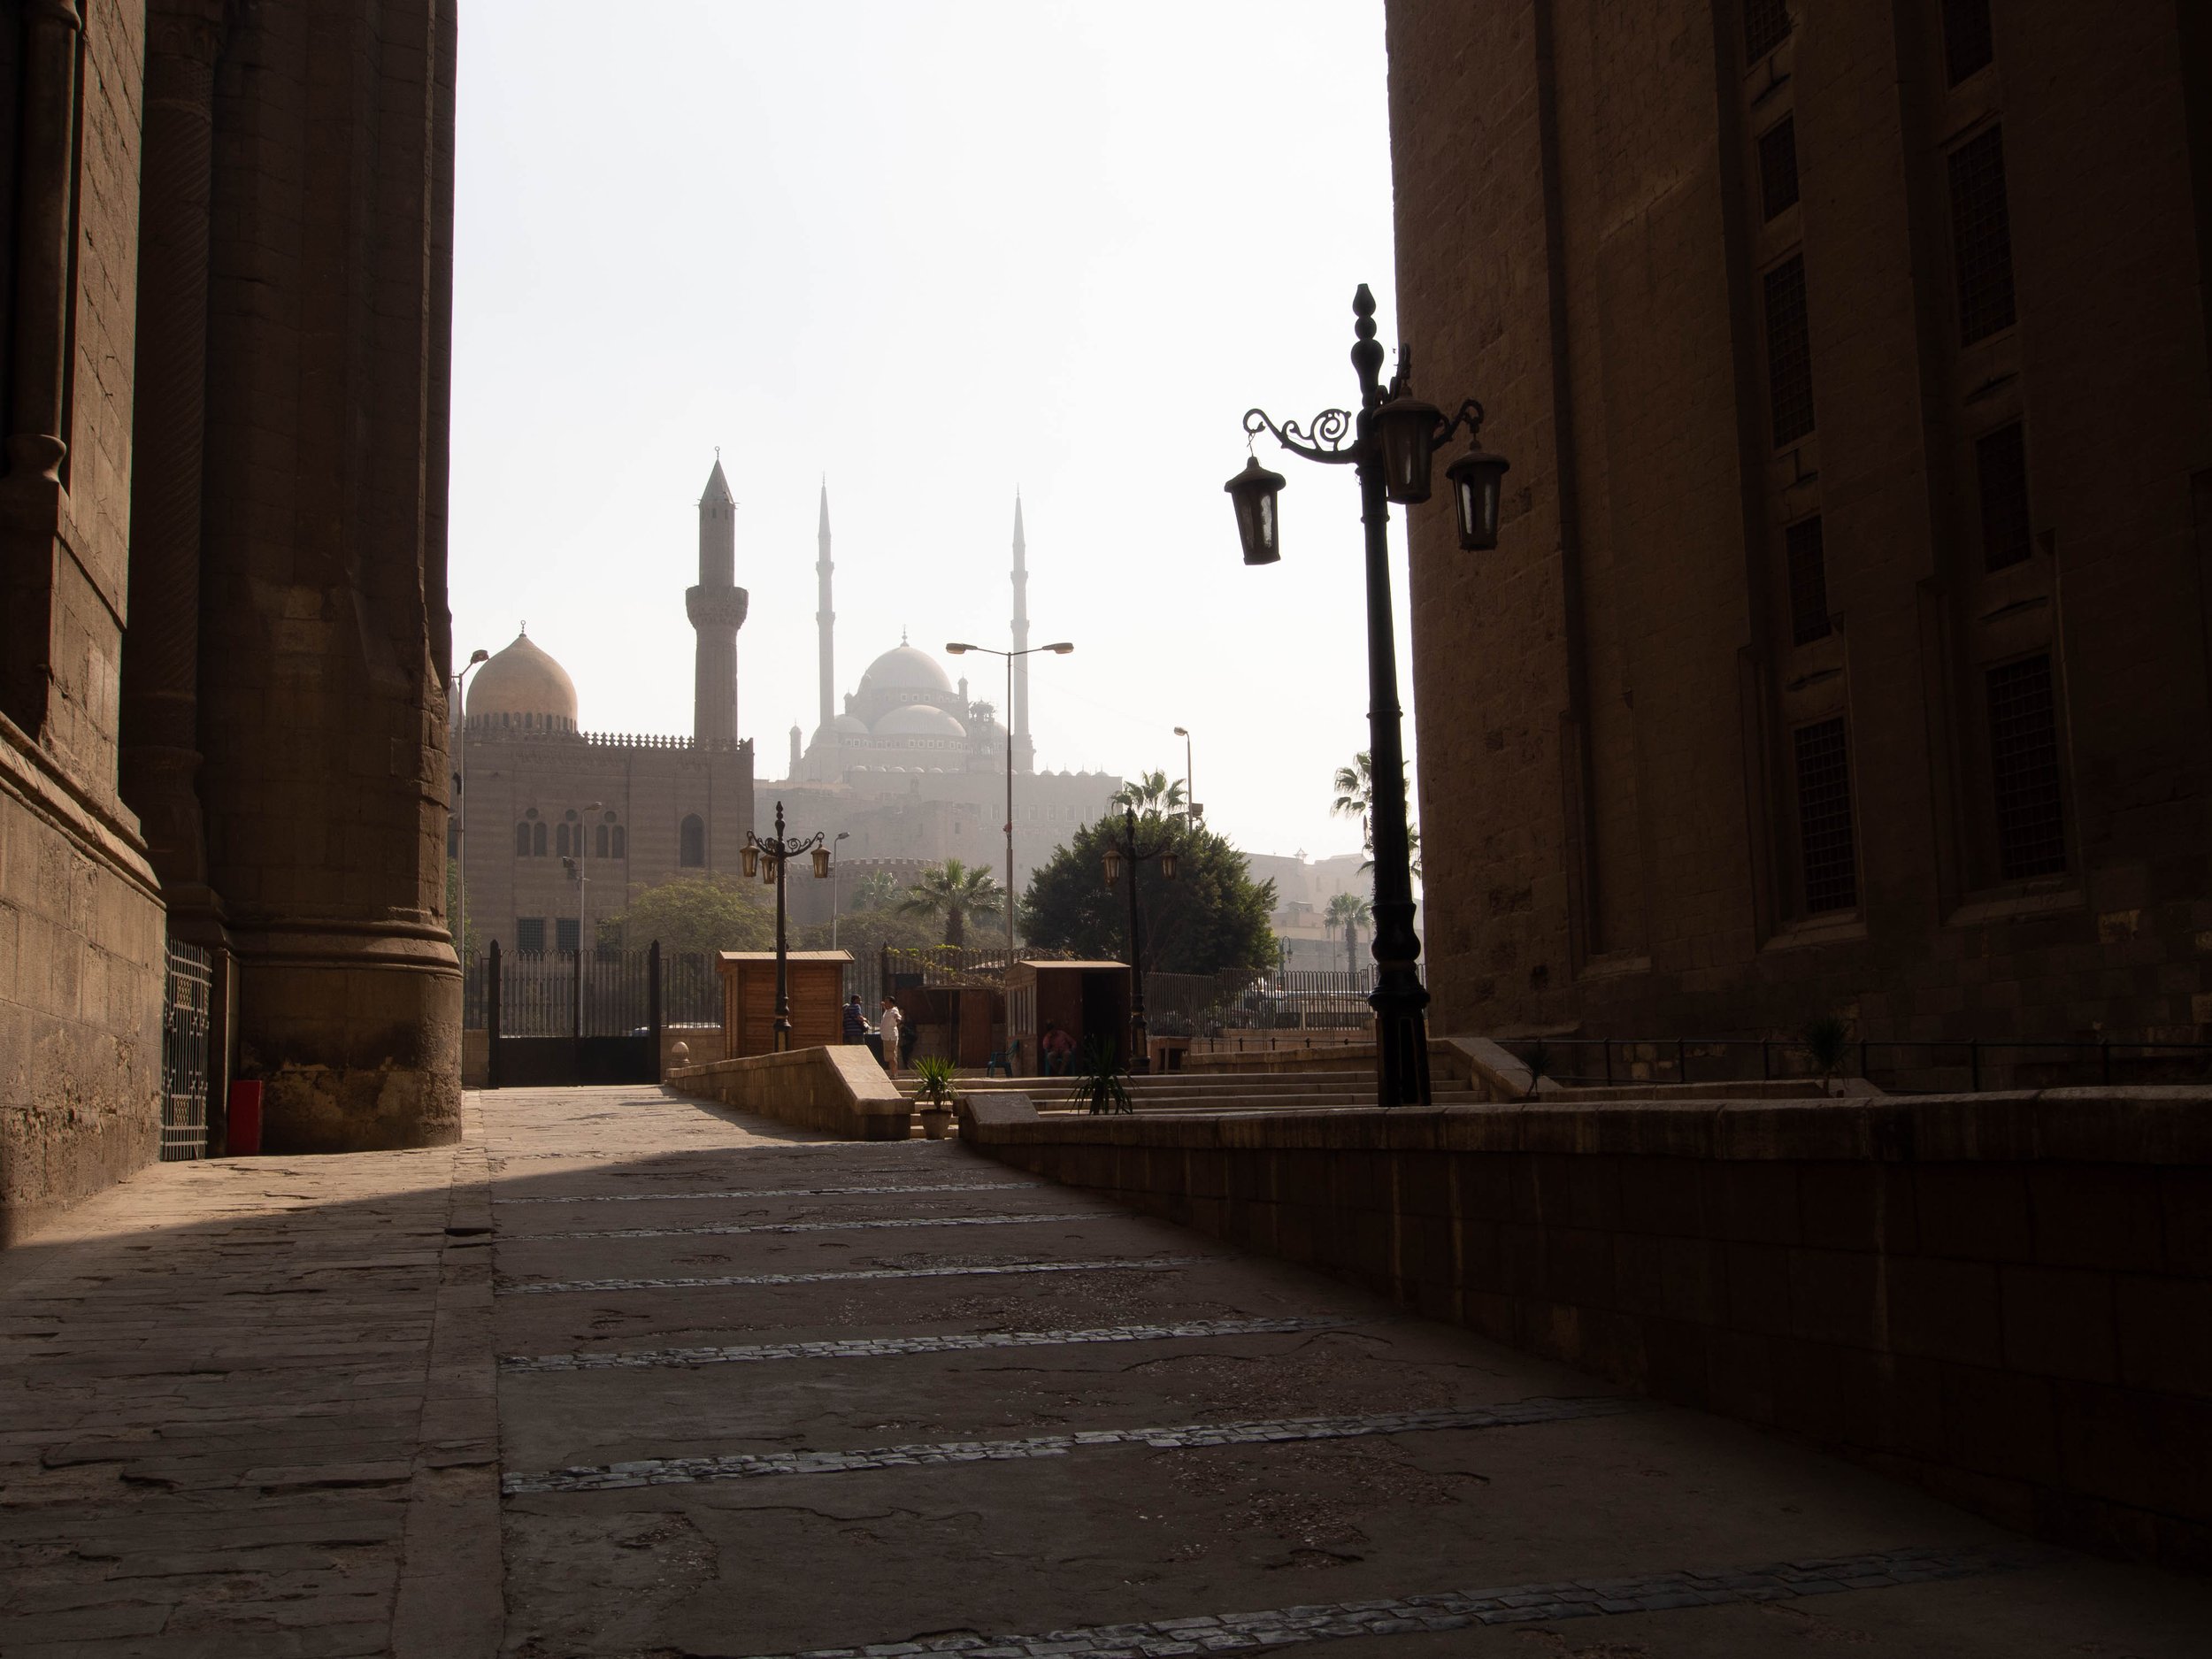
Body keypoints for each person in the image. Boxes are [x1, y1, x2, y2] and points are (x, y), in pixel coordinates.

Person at [878, 996, 904, 1077]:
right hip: (886, 1037)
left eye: (887, 1002)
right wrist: (883, 1005)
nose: (885, 1003)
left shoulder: (894, 1011)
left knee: (891, 1056)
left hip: (890, 1037)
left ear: (891, 1003)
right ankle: (893, 1073)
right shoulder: (888, 1011)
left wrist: (898, 1019)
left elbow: (897, 1016)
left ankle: (893, 1074)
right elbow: (887, 1011)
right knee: (889, 1056)